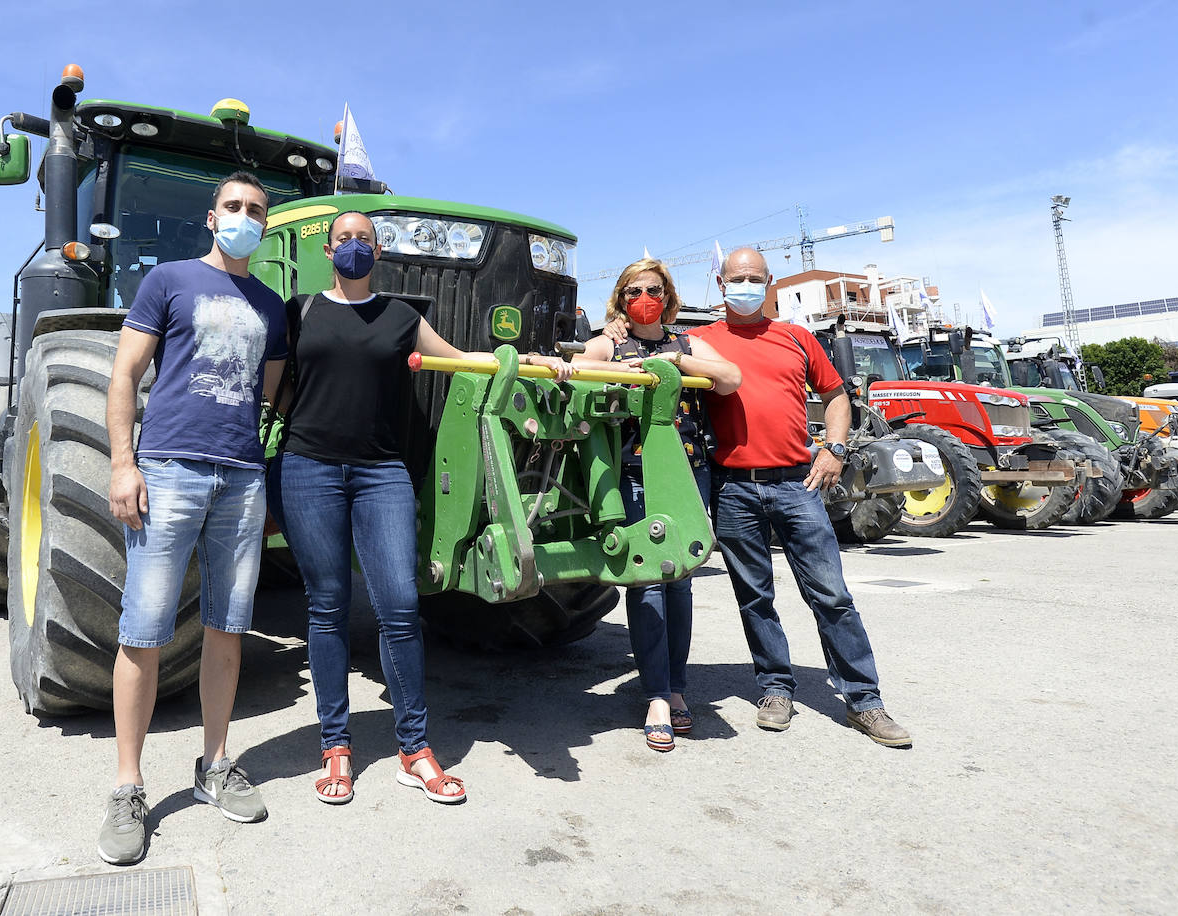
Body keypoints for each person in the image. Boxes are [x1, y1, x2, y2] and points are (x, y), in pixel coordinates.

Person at [267, 211, 573, 805]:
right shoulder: (299, 310)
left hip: (383, 472)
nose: (353, 247)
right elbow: (271, 390)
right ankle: (336, 746)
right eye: (344, 239)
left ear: (376, 252)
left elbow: (466, 360)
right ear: (328, 251)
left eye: (364, 239)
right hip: (309, 468)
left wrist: (537, 363)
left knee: (400, 606)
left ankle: (414, 748)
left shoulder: (404, 317)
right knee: (327, 607)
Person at [100, 171, 287, 865]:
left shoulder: (270, 304)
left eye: (255, 210)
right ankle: (127, 786)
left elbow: (264, 397)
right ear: (212, 218)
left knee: (227, 631)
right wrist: (125, 463)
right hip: (170, 470)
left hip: (240, 479)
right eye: (233, 207)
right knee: (143, 631)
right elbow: (125, 375)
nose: (244, 216)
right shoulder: (169, 281)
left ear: (264, 226)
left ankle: (214, 766)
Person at [688, 247, 911, 747]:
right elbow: (643, 349)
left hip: (797, 483)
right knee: (755, 598)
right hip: (733, 489)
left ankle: (864, 701)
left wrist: (834, 450)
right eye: (735, 278)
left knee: (831, 595)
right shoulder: (700, 340)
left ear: (769, 282)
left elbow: (835, 396)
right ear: (720, 283)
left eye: (754, 278)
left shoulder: (797, 337)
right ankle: (774, 688)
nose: (745, 285)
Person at [579, 258, 741, 751]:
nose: (642, 297)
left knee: (681, 583)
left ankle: (677, 688)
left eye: (652, 289)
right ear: (620, 299)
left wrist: (676, 364)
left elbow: (730, 377)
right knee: (648, 581)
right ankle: (655, 697)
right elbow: (578, 369)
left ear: (667, 295)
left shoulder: (687, 343)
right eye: (632, 290)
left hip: (689, 472)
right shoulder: (611, 341)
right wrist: (618, 366)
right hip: (634, 473)